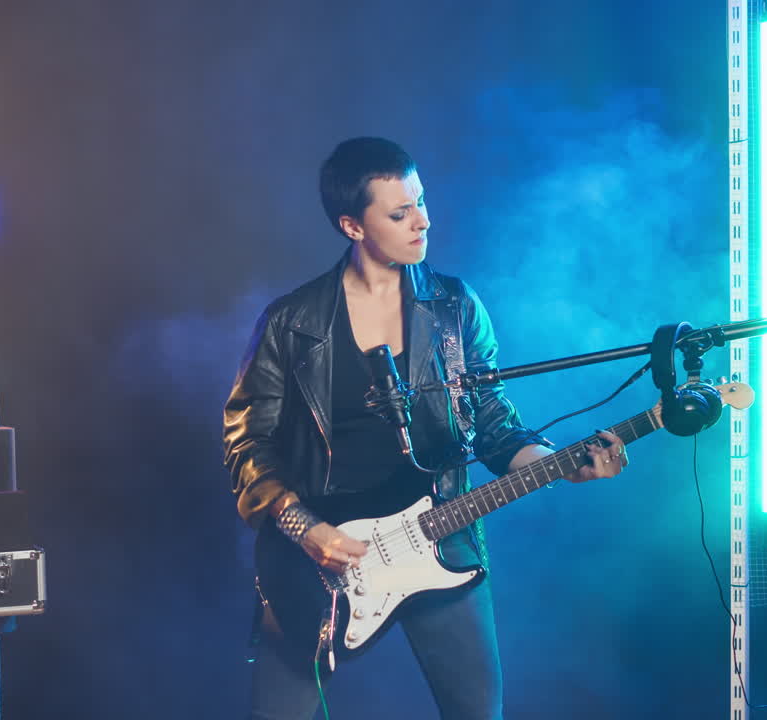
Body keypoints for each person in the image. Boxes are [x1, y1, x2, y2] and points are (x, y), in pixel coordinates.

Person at [223, 137, 628, 720]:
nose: (423, 221)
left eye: (421, 202)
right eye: (399, 212)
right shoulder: (293, 322)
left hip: (439, 537)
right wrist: (305, 528)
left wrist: (559, 463)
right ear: (352, 226)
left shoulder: (455, 307)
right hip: (316, 560)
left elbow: (492, 423)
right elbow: (245, 441)